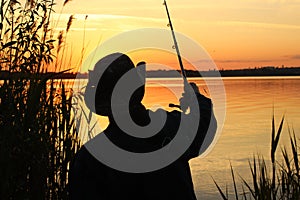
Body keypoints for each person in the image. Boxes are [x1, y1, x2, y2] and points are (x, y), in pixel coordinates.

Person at [69, 53, 217, 200]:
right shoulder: (172, 126)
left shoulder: (88, 157)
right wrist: (196, 98)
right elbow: (205, 123)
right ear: (137, 88)